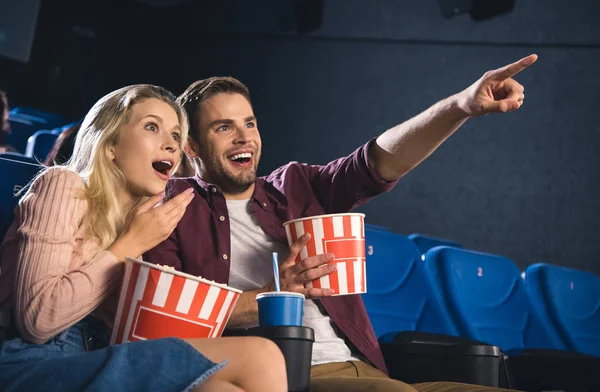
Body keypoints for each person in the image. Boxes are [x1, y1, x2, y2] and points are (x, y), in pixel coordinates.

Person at [144, 55, 537, 392]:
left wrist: (461, 106)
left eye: (249, 123)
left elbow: (376, 161)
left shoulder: (294, 186)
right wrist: (271, 295)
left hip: (365, 369)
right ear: (191, 146)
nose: (244, 138)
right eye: (224, 127)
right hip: (286, 376)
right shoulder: (171, 207)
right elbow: (166, 324)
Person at [0, 84, 287, 392]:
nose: (171, 145)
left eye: (176, 136)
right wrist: (131, 245)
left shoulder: (150, 222)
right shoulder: (63, 186)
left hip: (100, 357)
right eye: (152, 127)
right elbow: (39, 320)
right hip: (33, 362)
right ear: (111, 144)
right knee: (262, 354)